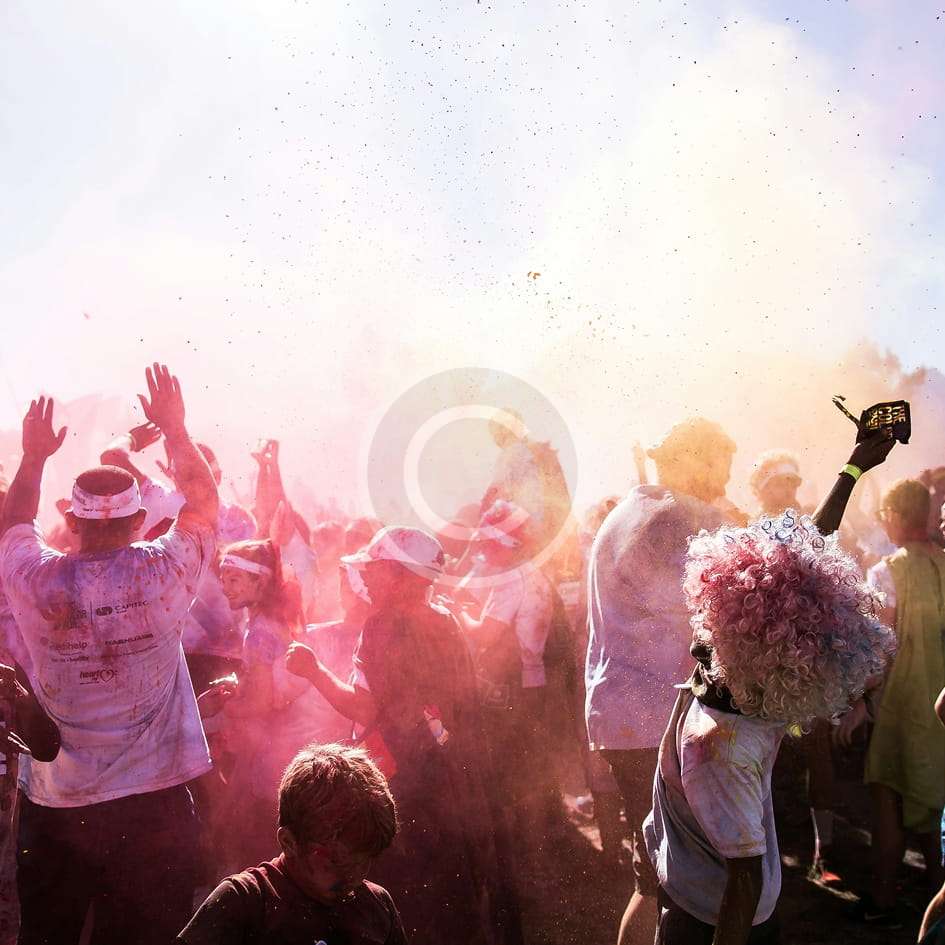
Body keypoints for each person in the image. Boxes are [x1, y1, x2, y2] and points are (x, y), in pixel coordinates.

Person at [642, 431, 898, 945]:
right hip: (703, 897)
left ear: (749, 640)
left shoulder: (719, 743)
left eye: (717, 622)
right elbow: (797, 564)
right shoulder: (744, 686)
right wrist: (853, 468)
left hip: (708, 920)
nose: (702, 630)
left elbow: (745, 879)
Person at [0, 365, 219, 945]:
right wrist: (175, 430)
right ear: (140, 520)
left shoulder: (34, 579)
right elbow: (203, 501)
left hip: (58, 807)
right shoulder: (165, 570)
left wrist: (34, 458)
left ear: (71, 521)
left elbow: (13, 522)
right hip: (153, 807)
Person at [285, 526, 523, 945]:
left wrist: (313, 671)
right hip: (452, 779)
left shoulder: (382, 627)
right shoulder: (444, 620)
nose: (365, 578)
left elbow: (365, 708)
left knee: (413, 894)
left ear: (401, 575)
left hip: (405, 783)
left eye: (375, 569)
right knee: (455, 889)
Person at [584, 416, 739, 945]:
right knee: (687, 885)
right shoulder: (682, 517)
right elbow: (721, 611)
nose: (725, 479)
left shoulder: (626, 512)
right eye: (719, 466)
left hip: (621, 716)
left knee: (652, 877)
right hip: (661, 720)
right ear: (692, 460)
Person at [178, 742, 407, 945]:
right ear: (289, 842)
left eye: (364, 862)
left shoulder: (377, 907)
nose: (354, 877)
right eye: (338, 864)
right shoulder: (244, 903)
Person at [843, 479, 945, 927]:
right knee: (938, 809)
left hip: (900, 708)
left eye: (886, 513)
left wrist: (859, 701)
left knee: (888, 801)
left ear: (899, 516)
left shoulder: (887, 572)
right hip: (942, 707)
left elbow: (878, 651)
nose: (883, 521)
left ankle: (883, 901)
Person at [100, 422, 255, 694]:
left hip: (170, 650)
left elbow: (111, 457)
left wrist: (132, 438)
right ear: (215, 476)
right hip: (223, 650)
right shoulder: (239, 518)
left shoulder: (156, 497)